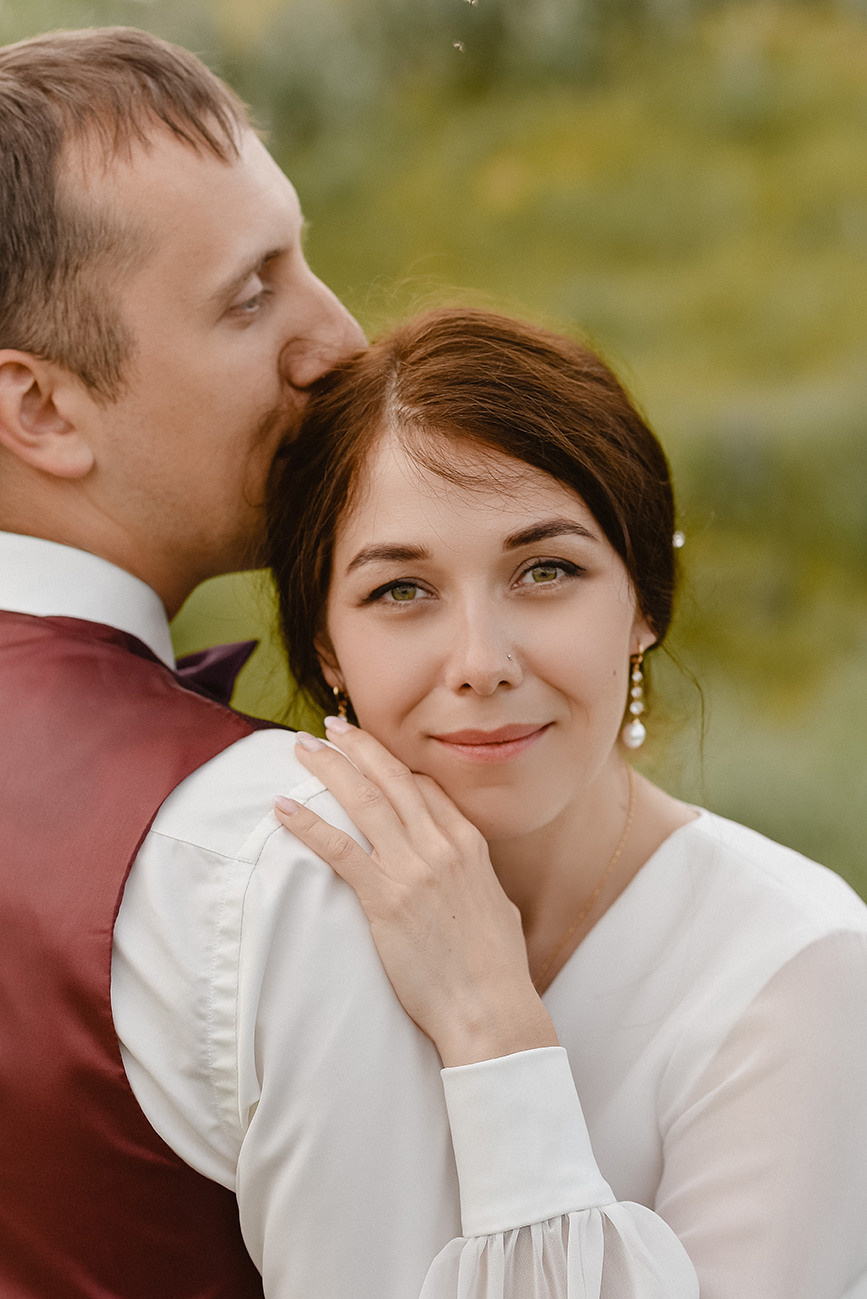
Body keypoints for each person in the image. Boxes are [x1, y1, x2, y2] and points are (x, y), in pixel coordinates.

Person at [0, 30, 591, 1299]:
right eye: (249, 297)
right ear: (40, 409)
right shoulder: (290, 855)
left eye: (301, 258)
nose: (336, 339)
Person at [268, 307, 867, 1297]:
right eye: (401, 590)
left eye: (545, 570)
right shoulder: (278, 913)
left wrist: (492, 1024)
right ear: (326, 642)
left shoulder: (798, 970)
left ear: (643, 601)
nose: (481, 662)